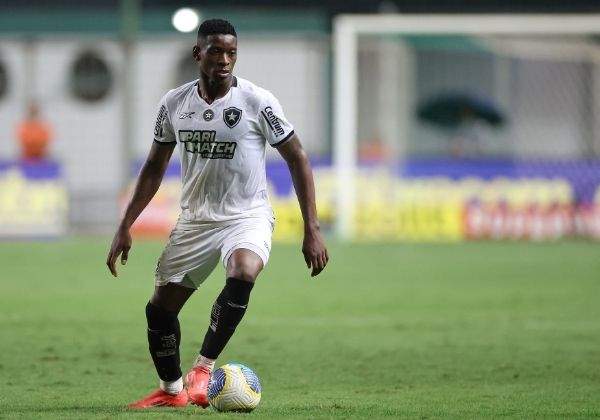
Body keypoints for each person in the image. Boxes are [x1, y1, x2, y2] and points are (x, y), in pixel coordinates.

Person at [106, 19, 329, 409]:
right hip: (195, 220)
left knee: (243, 271)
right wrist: (126, 224)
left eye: (231, 53)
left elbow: (298, 157)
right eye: (216, 51)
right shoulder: (174, 104)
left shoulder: (258, 102)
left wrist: (312, 227)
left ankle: (204, 367)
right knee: (159, 311)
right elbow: (154, 167)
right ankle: (171, 390)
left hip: (247, 215)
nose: (225, 60)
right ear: (198, 54)